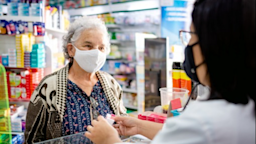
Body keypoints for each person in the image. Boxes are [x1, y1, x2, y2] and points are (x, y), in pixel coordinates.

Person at [85, 0, 255, 143]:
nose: (188, 46)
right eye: (88, 46)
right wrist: (140, 127)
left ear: (214, 46)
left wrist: (110, 141)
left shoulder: (205, 122)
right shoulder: (245, 108)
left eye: (192, 36)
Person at [24, 17, 127, 143]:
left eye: (101, 48)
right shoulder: (48, 87)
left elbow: (122, 124)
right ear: (71, 49)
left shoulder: (111, 84)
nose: (96, 53)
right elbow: (32, 139)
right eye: (88, 46)